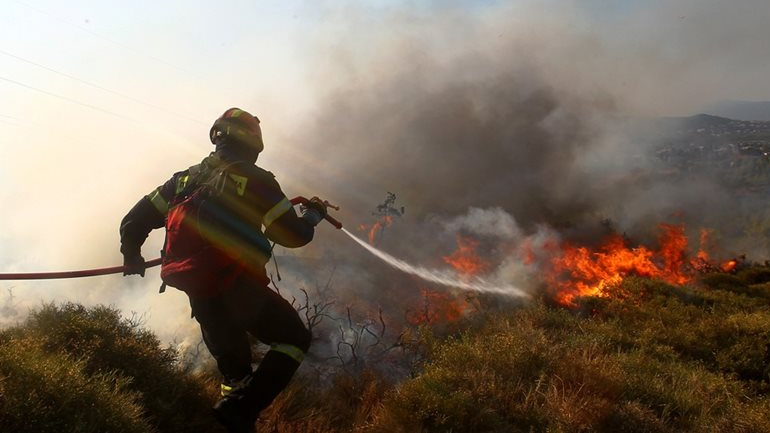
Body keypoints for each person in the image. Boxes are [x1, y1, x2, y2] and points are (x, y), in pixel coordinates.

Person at [119, 107, 326, 432]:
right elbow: (292, 235)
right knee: (294, 339)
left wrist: (131, 255)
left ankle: (235, 412)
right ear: (254, 144)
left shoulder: (184, 179)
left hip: (200, 293)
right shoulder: (257, 180)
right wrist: (312, 217)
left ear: (217, 137)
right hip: (238, 288)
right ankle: (240, 410)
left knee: (235, 376)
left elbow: (133, 221)